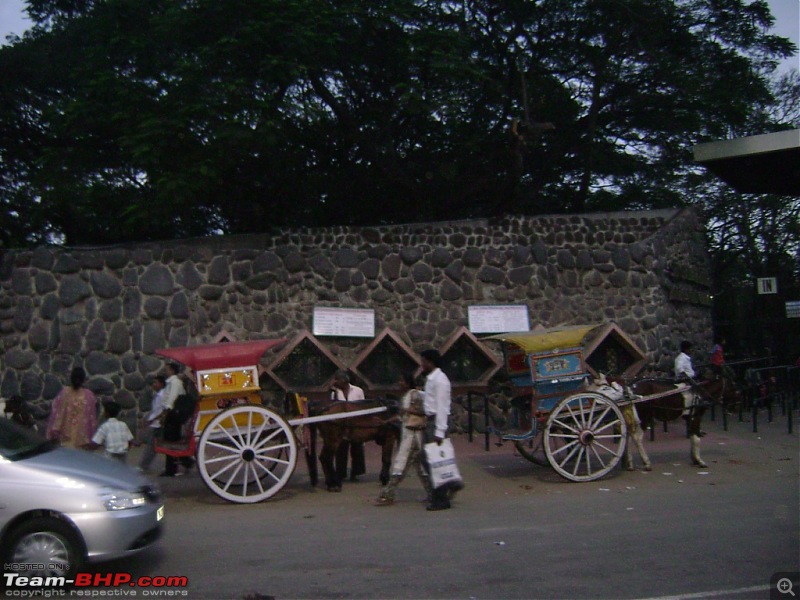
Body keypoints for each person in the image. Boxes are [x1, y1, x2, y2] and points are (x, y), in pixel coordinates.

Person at [375, 373, 431, 506]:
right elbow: (401, 416)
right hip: (410, 436)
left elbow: (423, 411)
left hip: (413, 436)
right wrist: (385, 422)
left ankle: (387, 494)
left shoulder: (415, 395)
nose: (399, 383)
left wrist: (410, 410)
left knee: (401, 464)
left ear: (407, 383)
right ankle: (433, 493)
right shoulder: (407, 396)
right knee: (421, 468)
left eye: (401, 381)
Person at [420, 349, 461, 511]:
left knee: (434, 461)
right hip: (430, 421)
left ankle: (441, 497)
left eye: (423, 361)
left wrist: (439, 431)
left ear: (430, 362)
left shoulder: (440, 380)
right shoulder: (432, 379)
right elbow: (431, 399)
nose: (421, 365)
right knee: (428, 459)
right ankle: (446, 487)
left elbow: (443, 406)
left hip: (436, 422)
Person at [46, 367, 98, 449]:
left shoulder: (64, 392)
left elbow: (57, 413)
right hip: (82, 440)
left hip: (65, 439)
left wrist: (53, 433)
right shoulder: (89, 396)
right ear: (83, 379)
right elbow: (92, 419)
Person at [330, 370, 366, 482]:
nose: (336, 381)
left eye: (338, 379)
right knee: (341, 449)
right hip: (341, 425)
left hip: (355, 424)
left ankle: (356, 473)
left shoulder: (358, 391)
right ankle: (341, 473)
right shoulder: (334, 393)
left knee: (357, 448)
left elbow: (363, 406)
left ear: (344, 380)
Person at [160, 363, 194, 477]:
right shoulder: (173, 382)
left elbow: (171, 399)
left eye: (167, 369)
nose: (165, 371)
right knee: (173, 440)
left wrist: (165, 413)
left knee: (170, 441)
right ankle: (184, 462)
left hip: (173, 414)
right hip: (174, 413)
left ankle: (172, 468)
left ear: (172, 371)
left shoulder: (174, 383)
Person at [138, 375, 166, 473]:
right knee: (155, 445)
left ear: (161, 384)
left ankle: (144, 466)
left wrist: (151, 420)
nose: (154, 385)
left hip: (158, 423)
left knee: (152, 446)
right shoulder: (157, 395)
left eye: (156, 382)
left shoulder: (162, 396)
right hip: (156, 423)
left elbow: (163, 411)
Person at [674, 340, 696, 417]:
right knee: (688, 396)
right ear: (687, 349)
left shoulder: (686, 358)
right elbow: (680, 370)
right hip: (684, 381)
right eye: (691, 348)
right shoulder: (681, 358)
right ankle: (686, 413)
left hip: (690, 380)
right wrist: (688, 379)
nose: (692, 350)